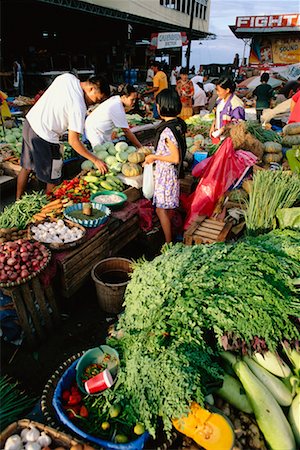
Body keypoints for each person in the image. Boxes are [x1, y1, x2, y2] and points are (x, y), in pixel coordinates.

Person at [16, 73, 110, 199]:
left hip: (30, 123)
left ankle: (18, 199)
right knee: (53, 179)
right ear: (91, 89)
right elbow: (73, 141)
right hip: (45, 136)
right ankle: (48, 210)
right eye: (97, 99)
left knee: (26, 167)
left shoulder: (67, 77)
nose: (93, 104)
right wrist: (95, 160)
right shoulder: (79, 106)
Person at [143, 89, 187, 243]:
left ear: (163, 107)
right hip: (171, 173)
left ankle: (169, 243)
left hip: (166, 174)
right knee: (166, 208)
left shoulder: (168, 130)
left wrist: (154, 156)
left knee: (161, 209)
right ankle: (171, 235)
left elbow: (175, 157)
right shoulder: (178, 124)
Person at [85, 84, 142, 149]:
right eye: (132, 99)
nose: (134, 102)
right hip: (95, 130)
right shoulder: (117, 107)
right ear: (124, 97)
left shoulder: (117, 99)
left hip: (97, 128)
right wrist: (140, 146)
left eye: (135, 99)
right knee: (100, 152)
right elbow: (126, 131)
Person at [209, 77, 245, 143]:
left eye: (219, 90)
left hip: (230, 140)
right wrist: (213, 126)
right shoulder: (219, 100)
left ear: (227, 90)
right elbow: (216, 115)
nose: (217, 93)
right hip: (218, 137)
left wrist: (223, 129)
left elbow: (238, 123)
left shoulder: (236, 104)